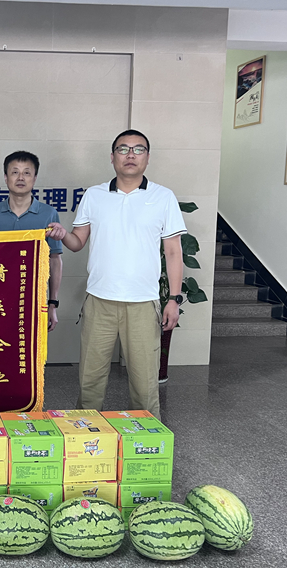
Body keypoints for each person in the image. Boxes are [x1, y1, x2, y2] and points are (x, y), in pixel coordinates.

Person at [47, 130, 185, 418]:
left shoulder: (163, 197)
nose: (130, 155)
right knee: (90, 379)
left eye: (138, 149)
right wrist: (62, 234)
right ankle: (84, 434)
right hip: (100, 301)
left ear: (148, 157)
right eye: (123, 149)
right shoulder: (94, 195)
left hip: (143, 303)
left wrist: (173, 299)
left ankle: (145, 438)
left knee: (144, 384)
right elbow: (77, 241)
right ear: (112, 157)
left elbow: (173, 251)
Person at [0, 150, 63, 331]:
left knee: (30, 346)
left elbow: (55, 260)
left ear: (35, 178)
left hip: (34, 299)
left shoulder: (49, 214)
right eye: (15, 172)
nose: (21, 178)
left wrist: (52, 303)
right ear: (5, 177)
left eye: (27, 173)